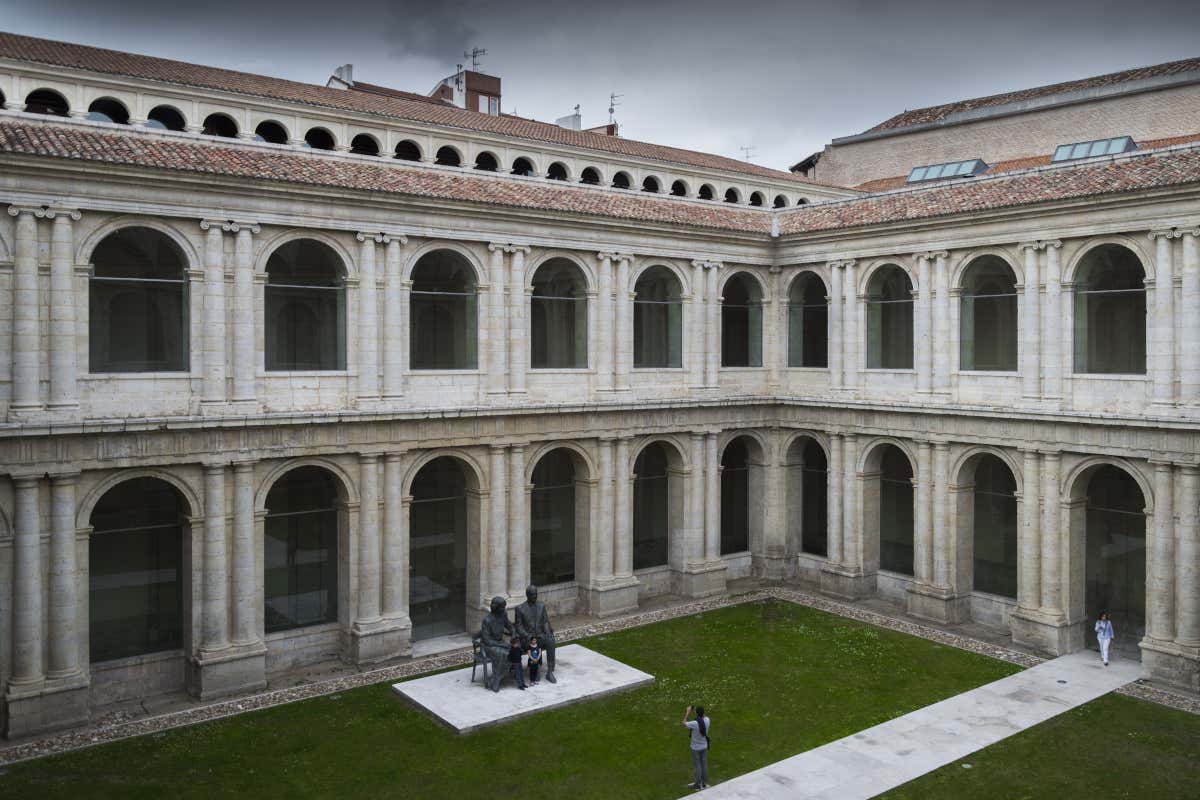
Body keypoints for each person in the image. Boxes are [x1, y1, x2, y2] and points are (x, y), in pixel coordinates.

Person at [515, 584, 557, 683]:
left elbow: (545, 621)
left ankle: (550, 671)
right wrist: (527, 636)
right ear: (527, 595)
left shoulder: (541, 606)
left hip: (540, 636)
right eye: (532, 595)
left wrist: (547, 631)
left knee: (551, 640)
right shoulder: (520, 609)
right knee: (533, 644)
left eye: (535, 594)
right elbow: (518, 626)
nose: (534, 596)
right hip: (528, 639)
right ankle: (535, 669)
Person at [479, 596, 514, 693]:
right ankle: (496, 680)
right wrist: (502, 645)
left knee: (514, 651)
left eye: (504, 607)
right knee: (502, 654)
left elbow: (509, 626)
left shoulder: (503, 615)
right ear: (496, 608)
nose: (504, 609)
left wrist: (514, 632)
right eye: (502, 607)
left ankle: (495, 679)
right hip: (488, 646)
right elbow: (487, 640)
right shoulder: (487, 620)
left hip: (499, 643)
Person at [681, 704, 710, 791]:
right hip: (704, 746)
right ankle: (704, 783)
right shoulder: (707, 720)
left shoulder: (694, 723)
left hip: (695, 748)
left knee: (697, 766)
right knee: (704, 765)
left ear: (697, 713)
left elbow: (683, 724)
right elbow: (703, 716)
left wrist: (688, 712)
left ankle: (697, 784)